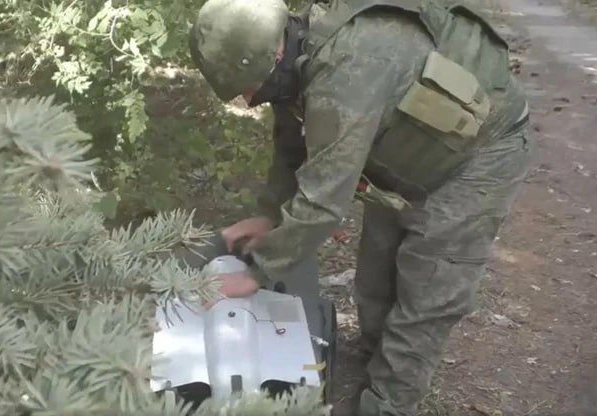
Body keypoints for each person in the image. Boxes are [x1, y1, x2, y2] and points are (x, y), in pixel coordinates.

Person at [188, 0, 535, 414]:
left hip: (480, 156)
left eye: (249, 89)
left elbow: (323, 201)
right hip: (405, 147)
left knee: (426, 294)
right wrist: (268, 216)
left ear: (272, 56)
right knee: (376, 276)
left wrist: (257, 272)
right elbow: (291, 149)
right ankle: (374, 356)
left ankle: (387, 403)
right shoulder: (293, 59)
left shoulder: (347, 69)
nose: (249, 101)